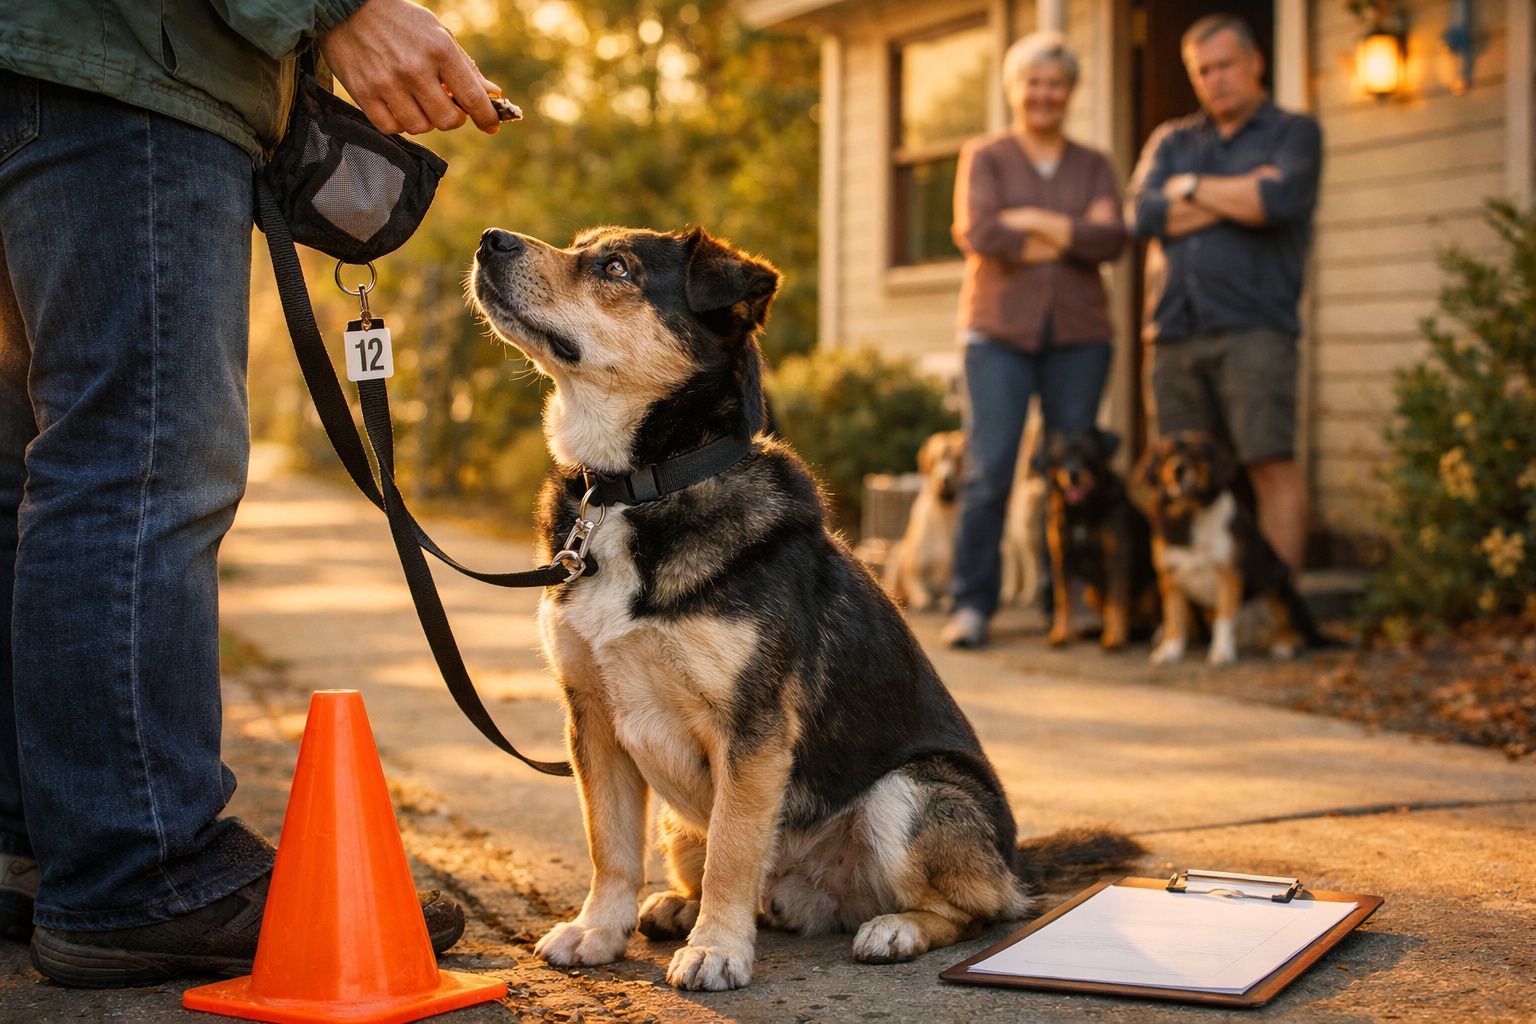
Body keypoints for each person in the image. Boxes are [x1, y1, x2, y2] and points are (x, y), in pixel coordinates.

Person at [0, 0, 502, 987]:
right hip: (123, 71)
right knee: (139, 462)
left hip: (38, 64)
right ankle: (142, 867)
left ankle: (40, 843)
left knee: (30, 473)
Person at [941, 31, 1127, 650]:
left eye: (1056, 83)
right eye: (1033, 83)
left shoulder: (1093, 163)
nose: (1044, 94)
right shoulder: (987, 156)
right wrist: (1074, 232)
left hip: (1080, 334)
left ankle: (1066, 605)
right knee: (990, 470)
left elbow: (1111, 243)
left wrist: (1036, 222)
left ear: (1070, 91)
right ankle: (972, 604)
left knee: (1073, 473)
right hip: (997, 332)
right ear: (1013, 91)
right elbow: (981, 232)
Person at [1127, 13, 1322, 574]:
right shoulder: (1172, 139)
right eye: (1203, 70)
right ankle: (1197, 615)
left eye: (1226, 65)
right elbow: (1142, 213)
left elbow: (1277, 203)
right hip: (1173, 333)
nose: (1215, 79)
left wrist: (1187, 191)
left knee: (1269, 463)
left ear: (1255, 61)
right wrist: (1235, 197)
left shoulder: (1293, 133)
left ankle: (1276, 611)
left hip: (1254, 329)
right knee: (1179, 474)